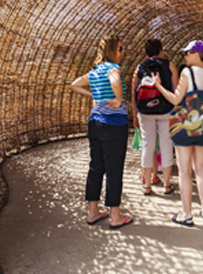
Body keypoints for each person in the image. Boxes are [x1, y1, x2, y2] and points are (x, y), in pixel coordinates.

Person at [70, 34, 133, 230]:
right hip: (114, 124)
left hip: (95, 123)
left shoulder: (95, 70)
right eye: (121, 49)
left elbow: (75, 85)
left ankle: (93, 212)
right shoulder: (113, 68)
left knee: (96, 167)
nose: (123, 52)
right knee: (114, 169)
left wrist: (94, 96)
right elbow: (115, 80)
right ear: (113, 50)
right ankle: (115, 216)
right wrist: (119, 98)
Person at [153, 40, 203, 226]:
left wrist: (158, 86)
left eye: (187, 53)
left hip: (185, 127)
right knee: (202, 171)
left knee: (184, 172)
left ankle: (186, 214)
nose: (185, 56)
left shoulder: (187, 72)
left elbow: (175, 99)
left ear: (196, 55)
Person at [131, 39, 178, 195]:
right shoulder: (169, 65)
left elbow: (134, 93)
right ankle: (166, 185)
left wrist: (135, 113)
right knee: (166, 146)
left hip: (145, 112)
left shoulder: (140, 67)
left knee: (147, 146)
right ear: (160, 50)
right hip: (165, 111)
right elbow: (176, 90)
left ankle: (147, 186)